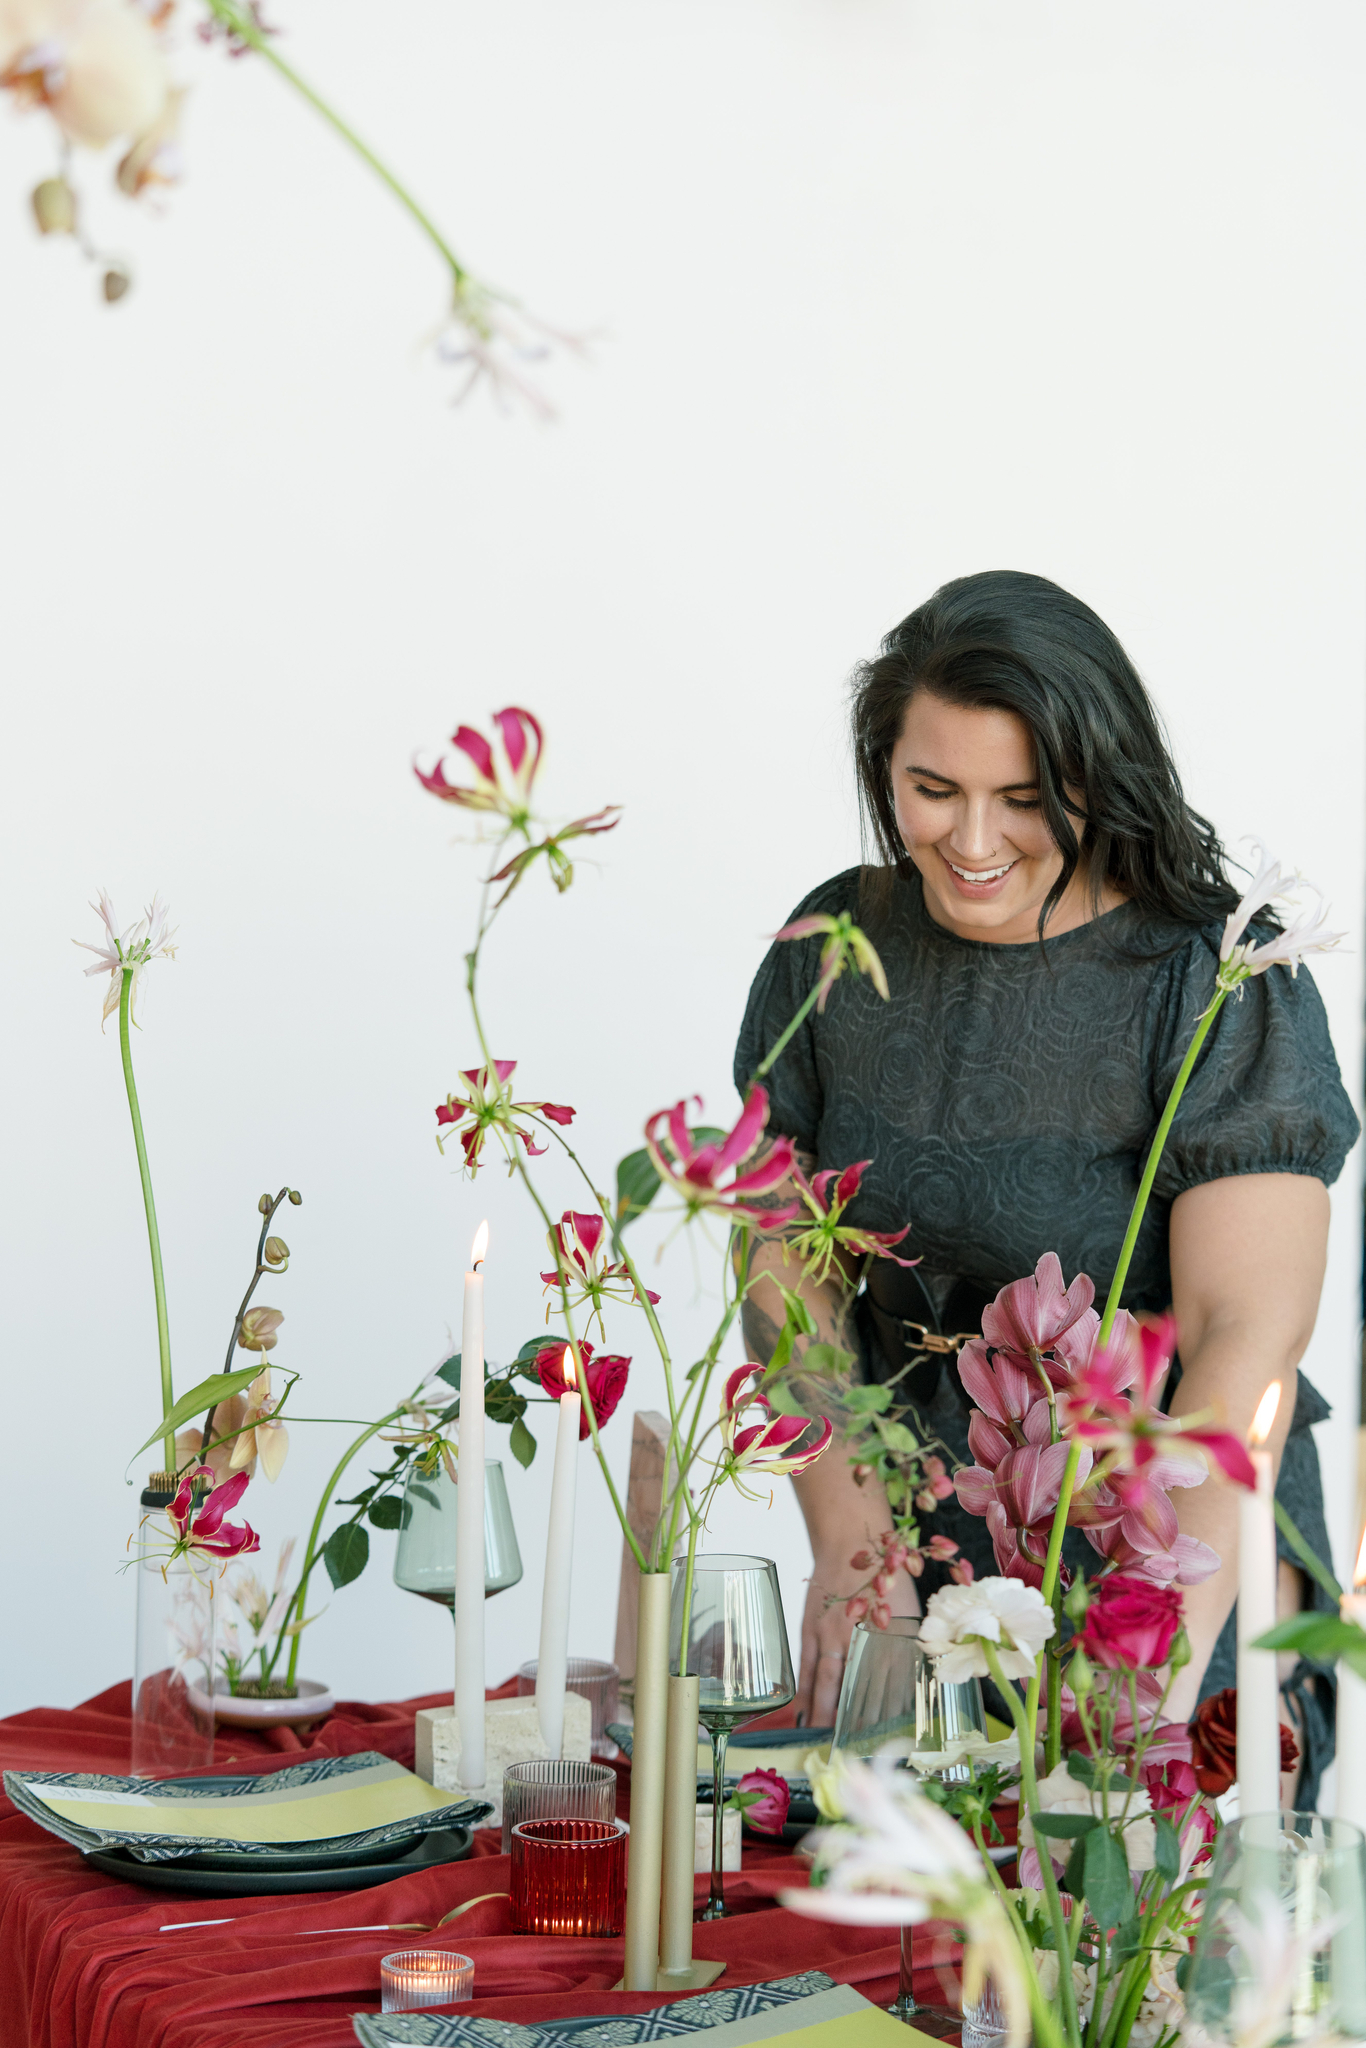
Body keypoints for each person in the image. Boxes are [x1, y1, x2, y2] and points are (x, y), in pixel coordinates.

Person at [734, 570, 1358, 1804]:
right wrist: (852, 1537)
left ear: (1099, 777)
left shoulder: (1217, 974)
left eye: (1025, 799)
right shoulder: (835, 945)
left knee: (1117, 1961)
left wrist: (1151, 1627)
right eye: (932, 790)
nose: (971, 842)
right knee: (890, 1959)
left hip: (1165, 1544)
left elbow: (1244, 1340)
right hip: (910, 1538)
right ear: (884, 770)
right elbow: (781, 1244)